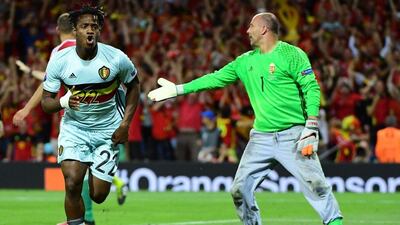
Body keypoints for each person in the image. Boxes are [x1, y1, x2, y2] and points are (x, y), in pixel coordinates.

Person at [148, 12, 343, 225]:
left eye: (251, 26)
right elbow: (215, 78)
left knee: (317, 185)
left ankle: (334, 222)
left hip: (294, 135)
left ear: (264, 29)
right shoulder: (244, 61)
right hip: (261, 138)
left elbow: (311, 87)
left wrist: (311, 124)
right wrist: (178, 89)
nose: (247, 30)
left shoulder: (292, 54)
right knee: (239, 190)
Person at [14, 12, 129, 225]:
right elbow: (51, 81)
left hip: (95, 122)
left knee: (81, 182)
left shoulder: (61, 52)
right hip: (83, 122)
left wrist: (27, 108)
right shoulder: (80, 51)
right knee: (75, 178)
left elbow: (48, 84)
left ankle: (87, 217)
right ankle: (82, 220)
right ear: (74, 29)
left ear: (58, 30)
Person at [41, 6, 140, 225]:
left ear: (99, 30)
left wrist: (125, 124)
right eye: (84, 26)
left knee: (98, 195)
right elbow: (46, 103)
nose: (90, 31)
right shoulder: (60, 60)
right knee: (72, 182)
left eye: (94, 26)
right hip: (75, 128)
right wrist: (62, 101)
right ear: (75, 30)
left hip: (107, 130)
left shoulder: (116, 58)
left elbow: (134, 86)